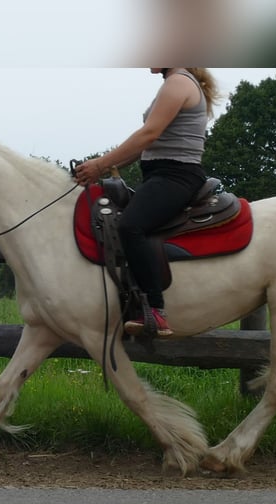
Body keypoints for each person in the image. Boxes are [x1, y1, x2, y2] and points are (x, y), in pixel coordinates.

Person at [75, 68, 220, 338]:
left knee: (131, 225)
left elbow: (149, 134)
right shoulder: (175, 82)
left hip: (176, 176)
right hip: (161, 174)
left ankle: (155, 309)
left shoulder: (178, 82)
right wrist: (98, 169)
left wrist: (100, 164)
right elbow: (145, 146)